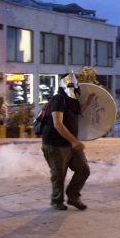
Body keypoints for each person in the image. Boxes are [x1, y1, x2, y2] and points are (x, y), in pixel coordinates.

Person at [41, 71, 94, 211]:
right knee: (59, 174)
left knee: (83, 169)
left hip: (70, 143)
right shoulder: (58, 99)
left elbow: (75, 113)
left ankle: (73, 196)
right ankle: (56, 201)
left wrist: (88, 102)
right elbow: (57, 124)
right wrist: (74, 141)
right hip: (55, 143)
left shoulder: (72, 99)